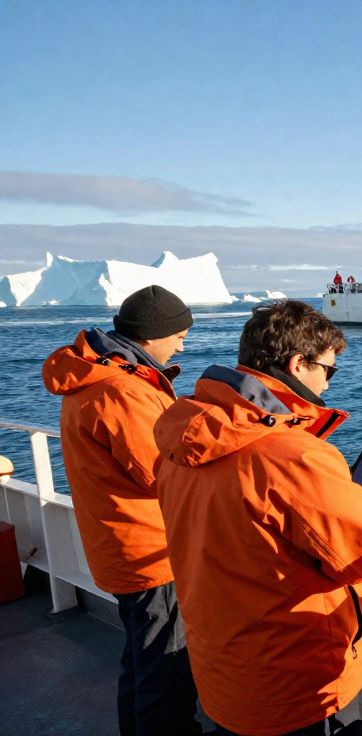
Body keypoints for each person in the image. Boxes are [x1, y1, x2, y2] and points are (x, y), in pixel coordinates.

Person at [153, 300, 362, 736]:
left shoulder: (184, 435)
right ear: (298, 364)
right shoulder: (291, 455)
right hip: (290, 681)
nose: (328, 386)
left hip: (223, 664)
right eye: (328, 371)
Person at [42, 286, 200, 735]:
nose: (182, 345)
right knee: (164, 669)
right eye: (179, 335)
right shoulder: (121, 392)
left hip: (119, 545)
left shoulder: (96, 380)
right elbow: (158, 472)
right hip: (149, 553)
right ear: (152, 336)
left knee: (142, 658)